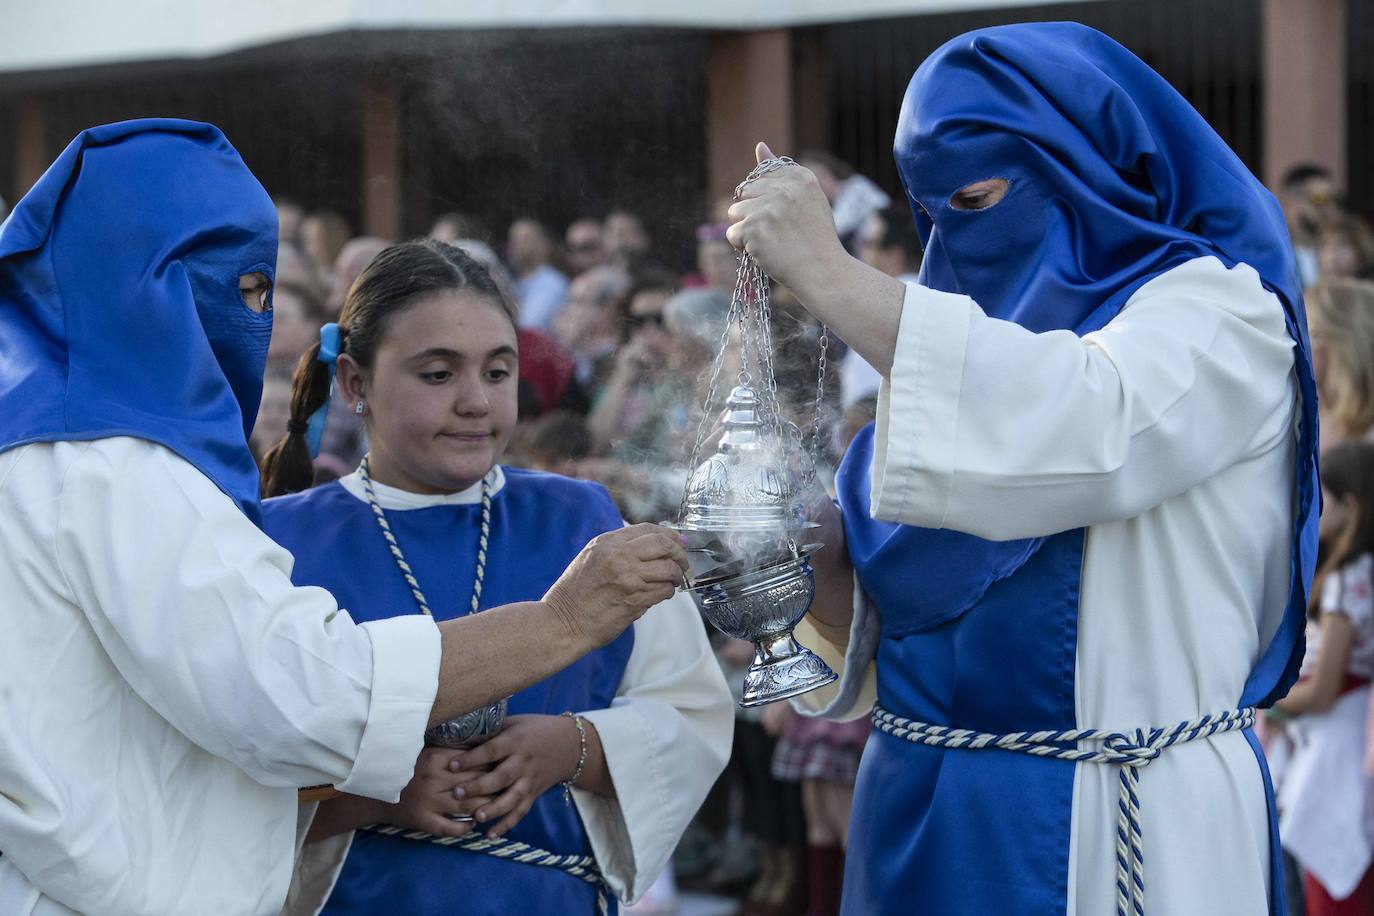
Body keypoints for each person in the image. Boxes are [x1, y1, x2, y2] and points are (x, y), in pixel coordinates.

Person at [0, 119, 688, 916]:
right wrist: (561, 622)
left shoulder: (44, 439)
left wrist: (576, 747)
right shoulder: (112, 464)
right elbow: (302, 698)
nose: (253, 325)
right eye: (245, 290)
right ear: (154, 284)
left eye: (496, 371)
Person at [727, 23, 1318, 916]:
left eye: (980, 195)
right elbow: (896, 629)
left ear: (1085, 164)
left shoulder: (1221, 308)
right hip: (925, 815)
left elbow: (1084, 426)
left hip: (1128, 815)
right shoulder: (961, 340)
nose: (960, 236)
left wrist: (828, 271)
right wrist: (798, 557)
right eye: (936, 210)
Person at [258, 239, 733, 915]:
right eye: (438, 375)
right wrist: (371, 794)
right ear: (355, 384)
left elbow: (690, 711)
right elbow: (225, 774)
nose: (476, 402)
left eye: (497, 372)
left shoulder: (582, 520)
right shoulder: (280, 543)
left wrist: (574, 748)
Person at [1272, 442, 1374, 914]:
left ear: (1351, 505)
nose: (1317, 509)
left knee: (1332, 894)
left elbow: (1325, 689)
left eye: (1325, 500)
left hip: (1338, 751)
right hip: (1354, 742)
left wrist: (1269, 703)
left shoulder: (1349, 579)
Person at [507, 217, 570, 331]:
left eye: (525, 239)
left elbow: (529, 325)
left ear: (544, 245)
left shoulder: (552, 284)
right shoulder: (515, 282)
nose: (515, 244)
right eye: (513, 238)